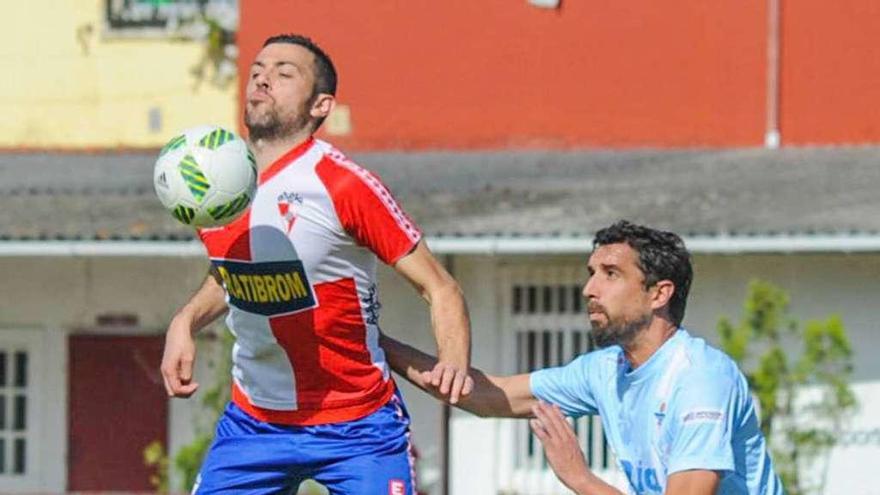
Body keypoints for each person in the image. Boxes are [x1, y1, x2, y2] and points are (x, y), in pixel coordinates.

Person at [160, 33, 471, 494]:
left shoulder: (343, 184)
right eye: (258, 70)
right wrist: (184, 321)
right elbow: (230, 270)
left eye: (285, 73)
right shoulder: (214, 184)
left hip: (358, 426)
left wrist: (454, 359)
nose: (263, 78)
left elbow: (440, 287)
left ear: (321, 105)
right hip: (254, 423)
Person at [382, 220, 784, 494]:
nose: (589, 288)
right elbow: (488, 396)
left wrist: (579, 478)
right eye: (591, 272)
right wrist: (374, 343)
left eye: (611, 274)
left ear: (659, 294)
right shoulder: (606, 370)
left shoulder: (699, 379)